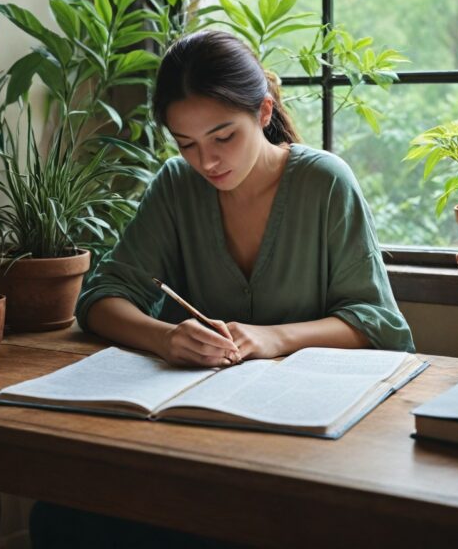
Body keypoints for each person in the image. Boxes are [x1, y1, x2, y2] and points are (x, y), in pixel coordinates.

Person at [29, 30, 414, 548]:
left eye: (223, 137)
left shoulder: (325, 182)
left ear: (263, 111)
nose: (207, 161)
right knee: (60, 516)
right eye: (186, 144)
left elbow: (379, 326)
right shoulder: (176, 185)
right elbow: (101, 299)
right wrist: (165, 338)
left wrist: (274, 338)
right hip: (193, 438)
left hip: (308, 440)